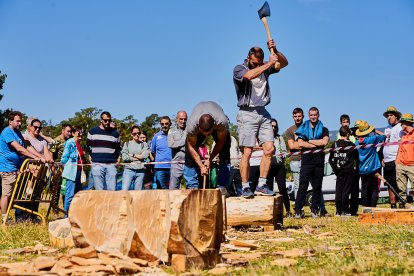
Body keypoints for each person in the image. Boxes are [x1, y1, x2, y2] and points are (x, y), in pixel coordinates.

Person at [233, 39, 288, 198]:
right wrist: (267, 64)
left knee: (270, 149)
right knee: (247, 152)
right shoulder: (239, 68)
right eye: (255, 62)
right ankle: (244, 187)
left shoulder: (266, 66)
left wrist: (275, 50)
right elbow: (249, 76)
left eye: (259, 63)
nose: (257, 65)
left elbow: (284, 63)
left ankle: (262, 185)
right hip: (246, 112)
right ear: (248, 58)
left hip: (263, 112)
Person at [0, 111, 45, 223]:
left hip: (18, 168)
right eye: (17, 121)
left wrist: (38, 157)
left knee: (17, 194)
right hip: (7, 168)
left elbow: (27, 147)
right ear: (10, 121)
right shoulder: (7, 132)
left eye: (21, 121)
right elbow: (19, 148)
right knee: (6, 194)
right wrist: (35, 158)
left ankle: (22, 217)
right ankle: (5, 218)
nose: (20, 123)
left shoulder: (18, 133)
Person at [184, 101, 230, 191]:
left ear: (213, 127)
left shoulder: (221, 122)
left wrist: (210, 159)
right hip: (197, 124)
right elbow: (191, 147)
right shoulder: (191, 126)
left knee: (225, 153)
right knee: (188, 155)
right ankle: (192, 186)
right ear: (199, 128)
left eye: (208, 133)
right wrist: (201, 166)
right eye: (203, 133)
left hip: (218, 123)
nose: (206, 136)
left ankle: (223, 186)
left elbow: (221, 141)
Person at [295, 107, 330, 218]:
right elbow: (300, 143)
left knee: (317, 187)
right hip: (306, 162)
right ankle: (298, 209)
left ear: (318, 115)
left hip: (319, 162)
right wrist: (316, 144)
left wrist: (309, 141)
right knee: (302, 186)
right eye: (311, 115)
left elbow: (325, 141)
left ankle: (314, 208)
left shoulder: (324, 129)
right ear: (308, 116)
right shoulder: (303, 128)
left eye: (315, 115)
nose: (313, 117)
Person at [329, 126, 359, 216]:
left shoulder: (334, 145)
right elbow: (356, 159)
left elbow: (330, 159)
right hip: (348, 170)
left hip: (339, 171)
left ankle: (338, 210)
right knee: (346, 191)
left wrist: (335, 169)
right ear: (348, 134)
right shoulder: (351, 145)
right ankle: (345, 210)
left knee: (339, 190)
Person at [87, 111, 121, 191]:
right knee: (99, 191)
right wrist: (94, 157)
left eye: (109, 120)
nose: (107, 122)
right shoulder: (92, 132)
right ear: (101, 120)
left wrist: (117, 158)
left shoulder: (115, 133)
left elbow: (118, 148)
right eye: (105, 120)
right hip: (97, 164)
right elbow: (89, 147)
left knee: (112, 190)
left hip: (111, 164)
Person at [355, 121, 385, 207]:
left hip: (362, 169)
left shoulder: (357, 142)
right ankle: (373, 206)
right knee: (374, 188)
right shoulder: (371, 139)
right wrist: (375, 131)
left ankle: (365, 206)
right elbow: (384, 136)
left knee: (364, 189)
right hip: (373, 168)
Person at [267, 118, 292, 217]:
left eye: (275, 126)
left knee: (282, 188)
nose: (273, 128)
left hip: (279, 166)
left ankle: (288, 210)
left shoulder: (279, 138)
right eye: (271, 126)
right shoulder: (265, 138)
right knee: (269, 189)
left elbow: (285, 152)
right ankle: (271, 211)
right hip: (269, 166)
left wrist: (283, 155)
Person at [60, 126, 86, 216]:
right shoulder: (70, 143)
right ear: (73, 133)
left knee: (78, 195)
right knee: (69, 195)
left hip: (78, 171)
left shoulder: (79, 144)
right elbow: (64, 157)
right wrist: (63, 166)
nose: (81, 134)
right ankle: (66, 216)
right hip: (71, 172)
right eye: (79, 132)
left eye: (82, 132)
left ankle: (75, 215)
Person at [381, 106, 403, 208]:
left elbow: (403, 144)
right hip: (387, 160)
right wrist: (382, 157)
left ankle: (402, 203)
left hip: (396, 159)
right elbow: (384, 143)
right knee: (389, 184)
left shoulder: (400, 128)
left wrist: (398, 158)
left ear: (396, 116)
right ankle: (392, 204)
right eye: (387, 116)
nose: (389, 117)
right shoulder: (386, 128)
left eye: (391, 115)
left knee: (398, 183)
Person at [121, 125, 148, 190]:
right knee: (124, 191)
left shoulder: (144, 144)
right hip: (129, 170)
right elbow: (124, 157)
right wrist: (139, 157)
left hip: (140, 171)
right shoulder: (127, 144)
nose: (137, 135)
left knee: (138, 195)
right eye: (134, 133)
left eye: (138, 133)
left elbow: (145, 156)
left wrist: (132, 155)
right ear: (131, 134)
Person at [284, 107, 304, 200]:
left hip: (307, 159)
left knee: (314, 184)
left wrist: (299, 144)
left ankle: (321, 209)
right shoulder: (289, 130)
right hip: (295, 159)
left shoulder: (308, 127)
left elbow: (312, 142)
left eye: (299, 116)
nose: (297, 118)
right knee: (297, 185)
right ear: (293, 117)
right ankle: (299, 208)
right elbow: (291, 146)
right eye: (295, 116)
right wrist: (305, 144)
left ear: (303, 116)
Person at [395, 113, 414, 207]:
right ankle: (402, 209)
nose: (400, 125)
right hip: (400, 165)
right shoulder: (402, 136)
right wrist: (397, 161)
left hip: (412, 165)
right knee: (401, 190)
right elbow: (400, 148)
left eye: (402, 123)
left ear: (406, 123)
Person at [151, 116, 172, 189]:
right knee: (161, 190)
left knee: (172, 190)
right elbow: (153, 151)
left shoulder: (174, 135)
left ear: (170, 124)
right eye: (162, 124)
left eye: (166, 124)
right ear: (160, 124)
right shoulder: (156, 137)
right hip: (159, 168)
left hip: (172, 167)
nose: (164, 125)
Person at [168, 111, 187, 190]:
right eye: (181, 119)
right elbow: (170, 144)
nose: (183, 121)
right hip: (176, 163)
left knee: (192, 187)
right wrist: (184, 143)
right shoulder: (171, 130)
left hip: (188, 162)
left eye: (185, 119)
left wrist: (178, 145)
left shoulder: (190, 129)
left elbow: (193, 145)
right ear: (177, 119)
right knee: (173, 188)